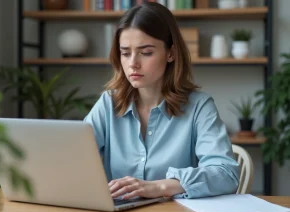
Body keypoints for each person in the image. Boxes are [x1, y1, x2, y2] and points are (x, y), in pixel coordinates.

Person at [84, 2, 239, 200]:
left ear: (171, 53)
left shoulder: (199, 106)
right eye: (125, 53)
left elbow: (226, 174)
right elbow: (74, 158)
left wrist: (158, 187)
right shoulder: (108, 104)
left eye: (146, 52)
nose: (133, 63)